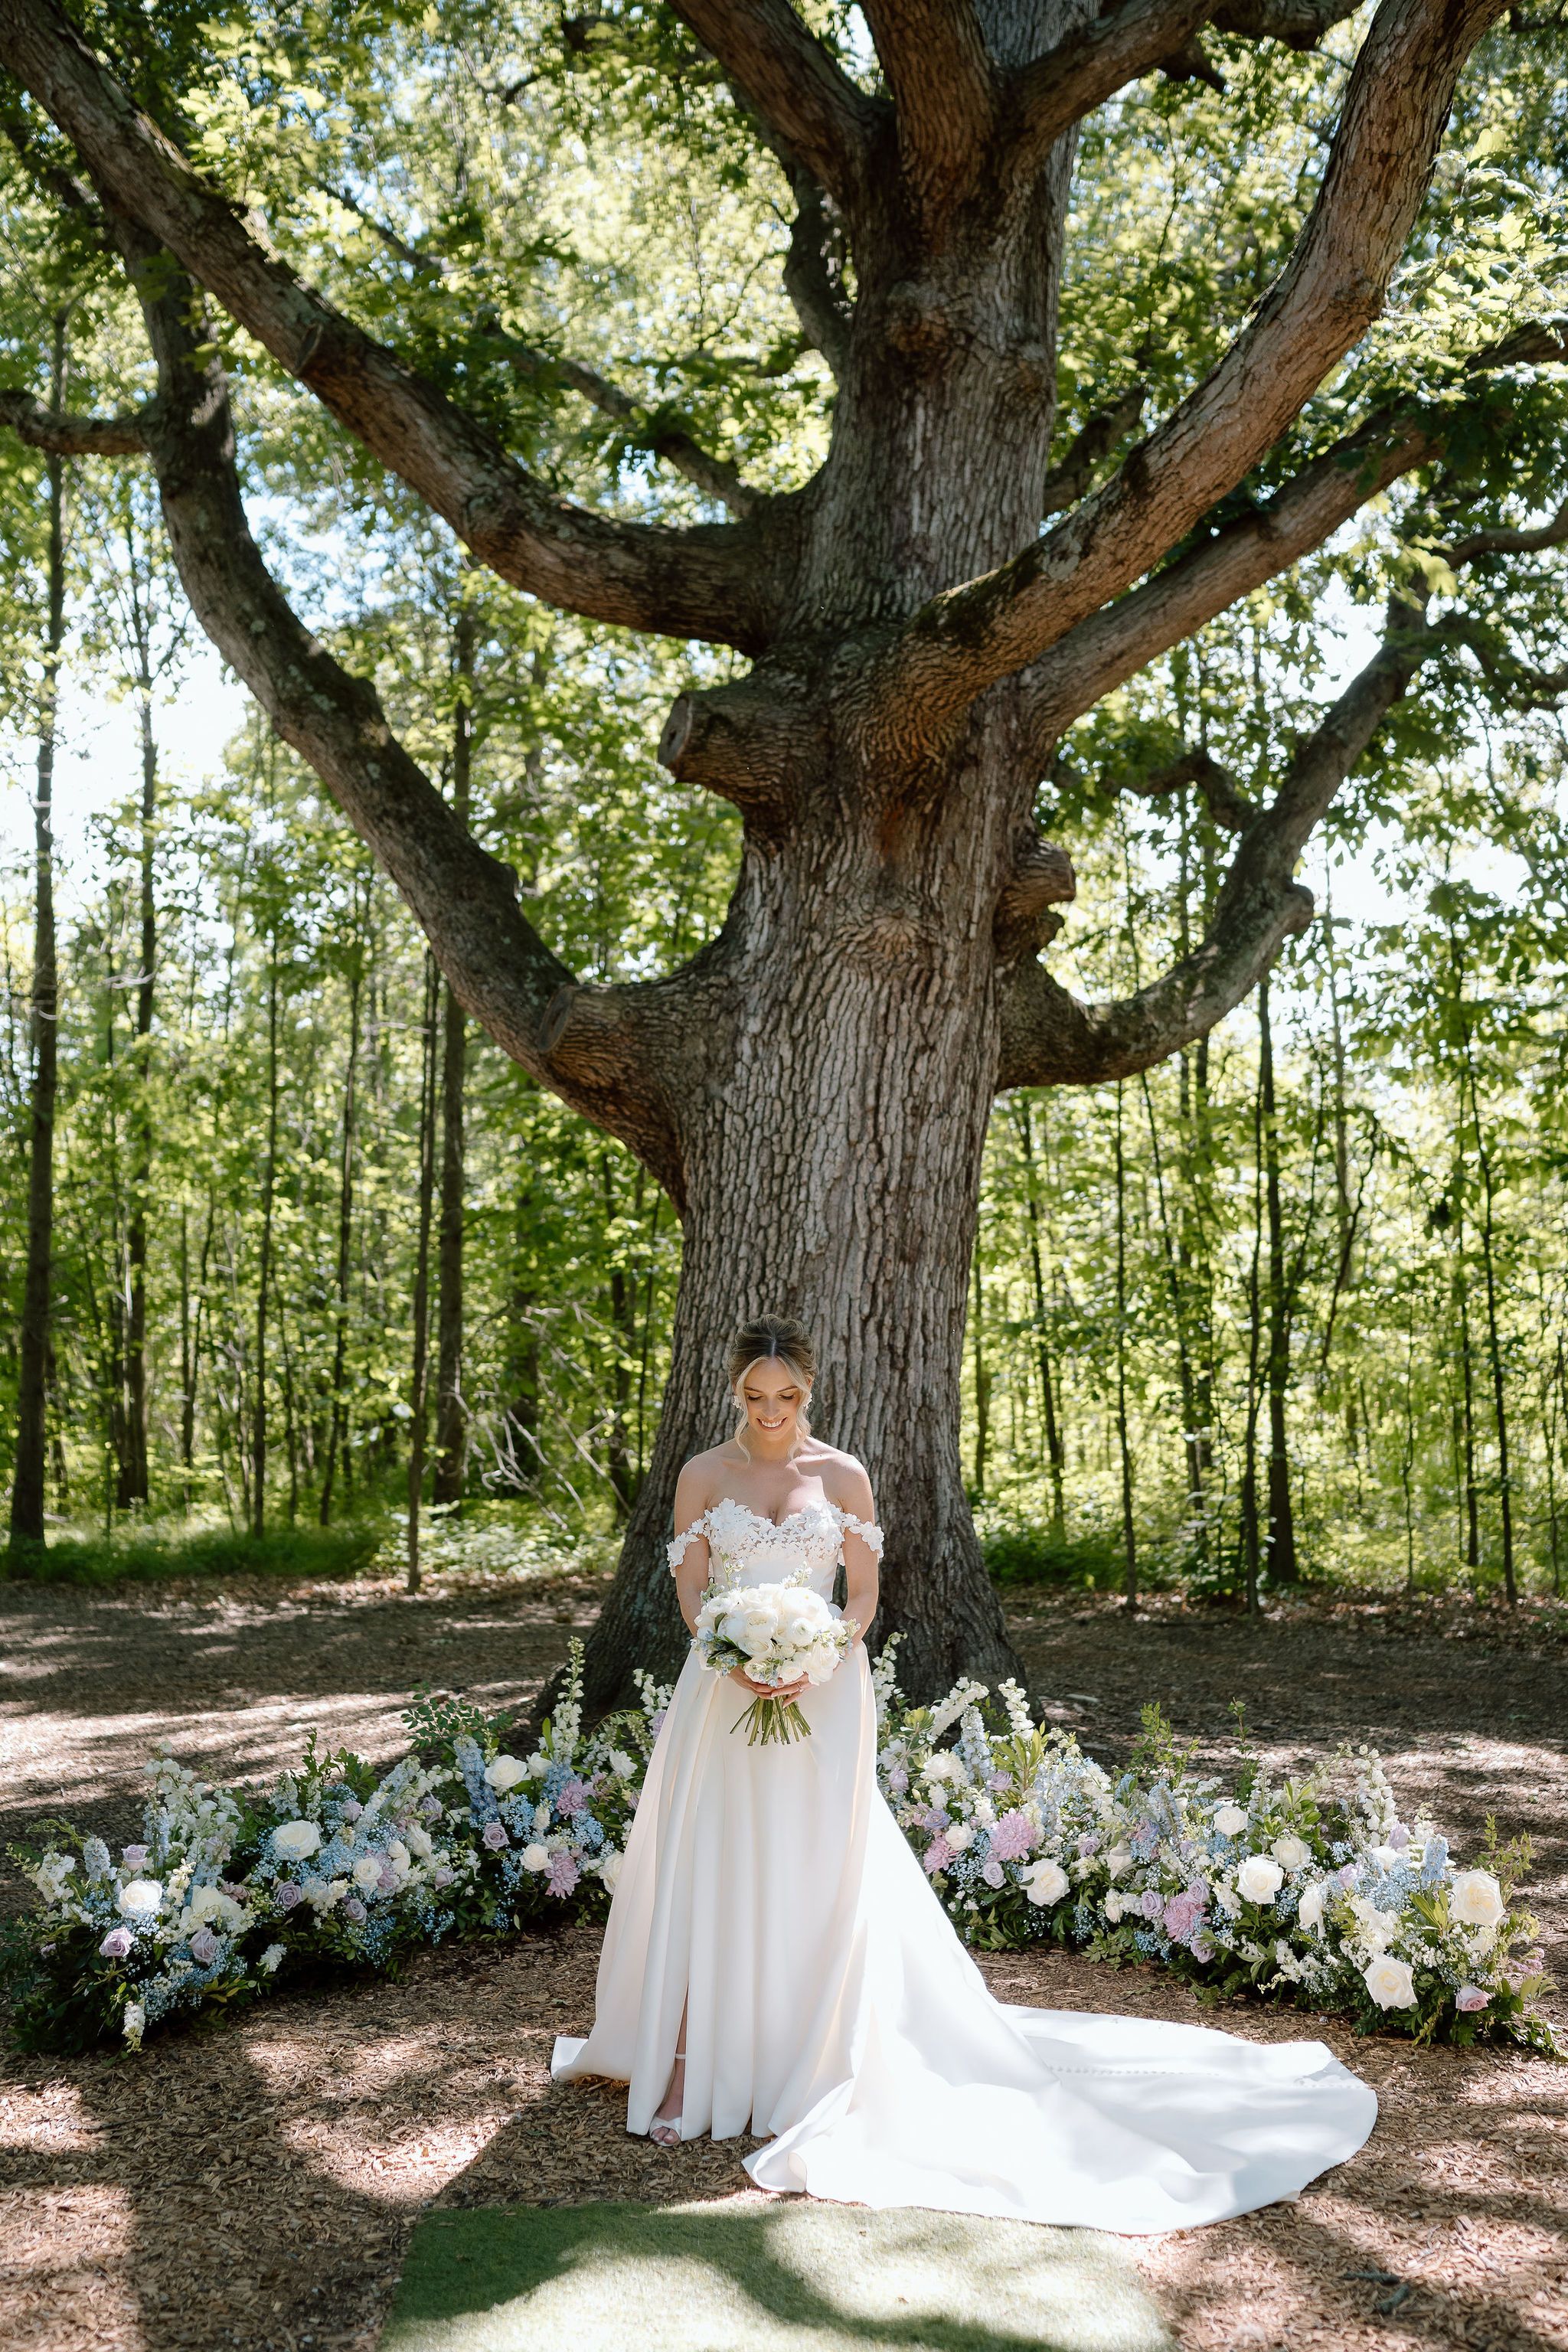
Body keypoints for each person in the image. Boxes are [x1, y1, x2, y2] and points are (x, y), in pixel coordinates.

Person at [552, 1314, 1377, 2230]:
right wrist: (735, 1652)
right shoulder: (704, 1474)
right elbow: (691, 1588)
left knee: (816, 1863)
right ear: (733, 1391)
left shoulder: (844, 1474)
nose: (772, 1413)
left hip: (823, 1693)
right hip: (722, 1693)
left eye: (787, 1397)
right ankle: (687, 2066)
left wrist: (818, 1652)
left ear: (810, 1392)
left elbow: (861, 1592)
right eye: (755, 1397)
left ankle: (810, 2059)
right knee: (719, 1858)